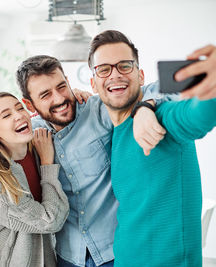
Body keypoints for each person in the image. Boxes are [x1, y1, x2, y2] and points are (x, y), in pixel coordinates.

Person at [16, 53, 167, 266]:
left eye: (61, 87)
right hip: (67, 256)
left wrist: (145, 107)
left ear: (69, 82)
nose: (59, 99)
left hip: (115, 252)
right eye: (45, 95)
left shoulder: (98, 109)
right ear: (29, 105)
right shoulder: (31, 133)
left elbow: (161, 90)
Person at [88, 30, 216, 266]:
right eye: (104, 69)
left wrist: (211, 87)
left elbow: (197, 116)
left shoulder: (162, 117)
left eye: (125, 66)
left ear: (140, 76)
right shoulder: (113, 135)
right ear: (94, 84)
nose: (115, 75)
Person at [0, 92, 69, 267]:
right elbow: (50, 220)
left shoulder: (36, 149)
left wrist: (81, 95)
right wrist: (47, 165)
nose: (19, 115)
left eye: (20, 108)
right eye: (6, 115)